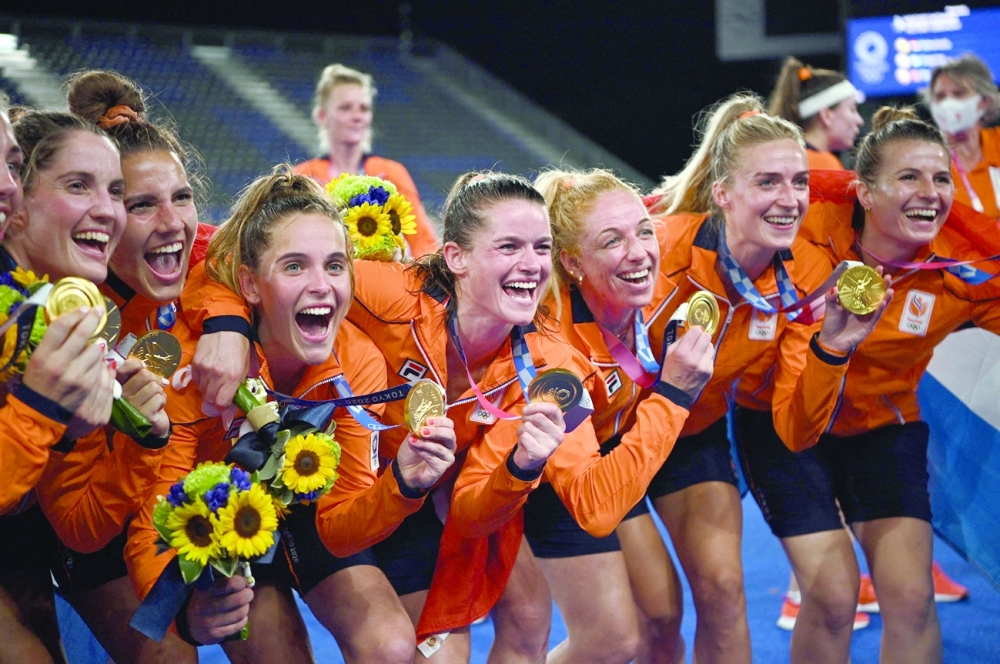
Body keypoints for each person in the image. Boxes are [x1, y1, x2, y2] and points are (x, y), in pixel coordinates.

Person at [126, 167, 450, 662]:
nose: (321, 285)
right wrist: (187, 614)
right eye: (295, 266)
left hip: (304, 513)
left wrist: (402, 485)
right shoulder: (200, 362)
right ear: (250, 285)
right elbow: (154, 512)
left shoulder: (357, 360)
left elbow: (340, 527)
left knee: (390, 644)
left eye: (335, 265)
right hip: (228, 518)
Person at [624, 93, 889, 664]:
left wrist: (834, 349)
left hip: (688, 439)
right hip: (610, 440)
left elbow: (795, 431)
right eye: (768, 182)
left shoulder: (808, 275)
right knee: (654, 618)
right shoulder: (659, 248)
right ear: (723, 193)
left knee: (722, 593)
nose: (790, 200)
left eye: (799, 183)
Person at [734, 106, 1000, 664]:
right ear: (865, 192)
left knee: (911, 599)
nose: (930, 193)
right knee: (832, 596)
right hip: (782, 422)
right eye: (909, 177)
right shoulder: (801, 231)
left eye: (941, 177)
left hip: (882, 424)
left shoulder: (969, 265)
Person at [477, 168, 714, 664]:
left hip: (599, 452)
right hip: (534, 479)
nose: (639, 252)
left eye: (644, 232)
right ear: (571, 261)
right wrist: (673, 392)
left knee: (663, 617)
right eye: (612, 241)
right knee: (598, 638)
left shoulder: (643, 284)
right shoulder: (555, 344)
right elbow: (588, 499)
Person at [1, 107, 170, 663]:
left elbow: (79, 525)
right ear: (16, 196)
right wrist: (42, 411)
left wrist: (142, 441)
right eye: (79, 185)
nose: (109, 210)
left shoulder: (74, 312)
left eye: (116, 190)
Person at [294, 63, 439, 257]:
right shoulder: (303, 176)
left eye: (364, 108)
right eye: (346, 108)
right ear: (322, 116)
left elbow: (423, 242)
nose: (357, 117)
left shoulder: (392, 173)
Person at [926, 54, 1000, 219]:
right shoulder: (926, 161)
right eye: (940, 96)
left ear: (984, 101)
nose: (947, 104)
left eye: (958, 93)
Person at [769, 56, 864, 170]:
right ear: (826, 116)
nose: (860, 121)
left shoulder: (780, 159)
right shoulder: (826, 164)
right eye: (852, 109)